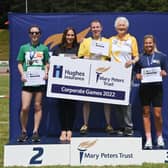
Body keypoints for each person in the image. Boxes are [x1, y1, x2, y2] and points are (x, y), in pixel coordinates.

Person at [78, 19, 113, 134]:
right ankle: (85, 124)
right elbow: (80, 56)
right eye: (93, 27)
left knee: (106, 99)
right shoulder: (86, 41)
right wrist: (84, 58)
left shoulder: (107, 42)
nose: (95, 29)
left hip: (103, 72)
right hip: (88, 72)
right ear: (91, 29)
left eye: (97, 27)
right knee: (86, 99)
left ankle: (108, 124)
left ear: (101, 28)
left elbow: (110, 58)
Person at [17, 25, 49, 142]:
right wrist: (22, 74)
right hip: (28, 81)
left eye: (36, 33)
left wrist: (46, 72)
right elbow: (20, 63)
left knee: (37, 106)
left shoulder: (44, 48)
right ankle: (24, 131)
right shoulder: (23, 48)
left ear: (40, 34)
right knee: (25, 107)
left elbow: (46, 63)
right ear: (29, 34)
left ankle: (35, 131)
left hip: (39, 81)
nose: (34, 35)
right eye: (32, 33)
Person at [135, 34, 168, 149]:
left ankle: (159, 137)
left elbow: (165, 71)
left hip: (157, 89)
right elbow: (137, 73)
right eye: (146, 43)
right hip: (144, 89)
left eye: (150, 43)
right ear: (143, 45)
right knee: (146, 113)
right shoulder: (139, 58)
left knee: (158, 114)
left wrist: (164, 74)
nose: (148, 45)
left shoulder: (162, 57)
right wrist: (138, 75)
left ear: (154, 43)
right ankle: (148, 139)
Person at [110, 16, 139, 136]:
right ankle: (121, 127)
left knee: (126, 101)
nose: (121, 27)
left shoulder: (131, 39)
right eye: (119, 25)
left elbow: (136, 56)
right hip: (113, 74)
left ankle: (128, 127)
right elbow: (103, 54)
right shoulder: (111, 40)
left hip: (127, 74)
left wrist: (132, 62)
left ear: (126, 27)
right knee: (116, 101)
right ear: (116, 27)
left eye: (123, 25)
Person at [53, 27, 79, 141]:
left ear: (75, 36)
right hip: (60, 84)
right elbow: (52, 64)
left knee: (72, 107)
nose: (70, 37)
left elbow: (84, 63)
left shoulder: (78, 48)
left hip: (74, 83)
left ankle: (70, 130)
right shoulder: (57, 49)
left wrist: (78, 59)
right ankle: (63, 130)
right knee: (62, 107)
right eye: (68, 35)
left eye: (72, 35)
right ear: (65, 36)